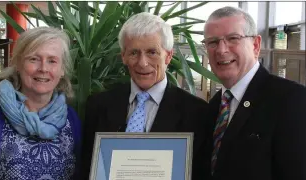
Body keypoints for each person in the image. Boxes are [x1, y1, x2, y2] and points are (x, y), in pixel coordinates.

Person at [80, 12, 211, 180]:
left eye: (152, 52)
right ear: (123, 57)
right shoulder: (98, 105)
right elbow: (86, 169)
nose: (142, 63)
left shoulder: (197, 112)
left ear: (168, 56)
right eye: (134, 52)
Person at [0, 27, 82, 180]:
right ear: (18, 65)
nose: (43, 68)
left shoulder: (71, 119)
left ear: (62, 70)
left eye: (52, 61)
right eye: (34, 59)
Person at [204, 6, 306, 180]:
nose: (221, 50)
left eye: (233, 39)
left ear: (256, 45)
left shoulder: (291, 100)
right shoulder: (212, 107)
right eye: (213, 42)